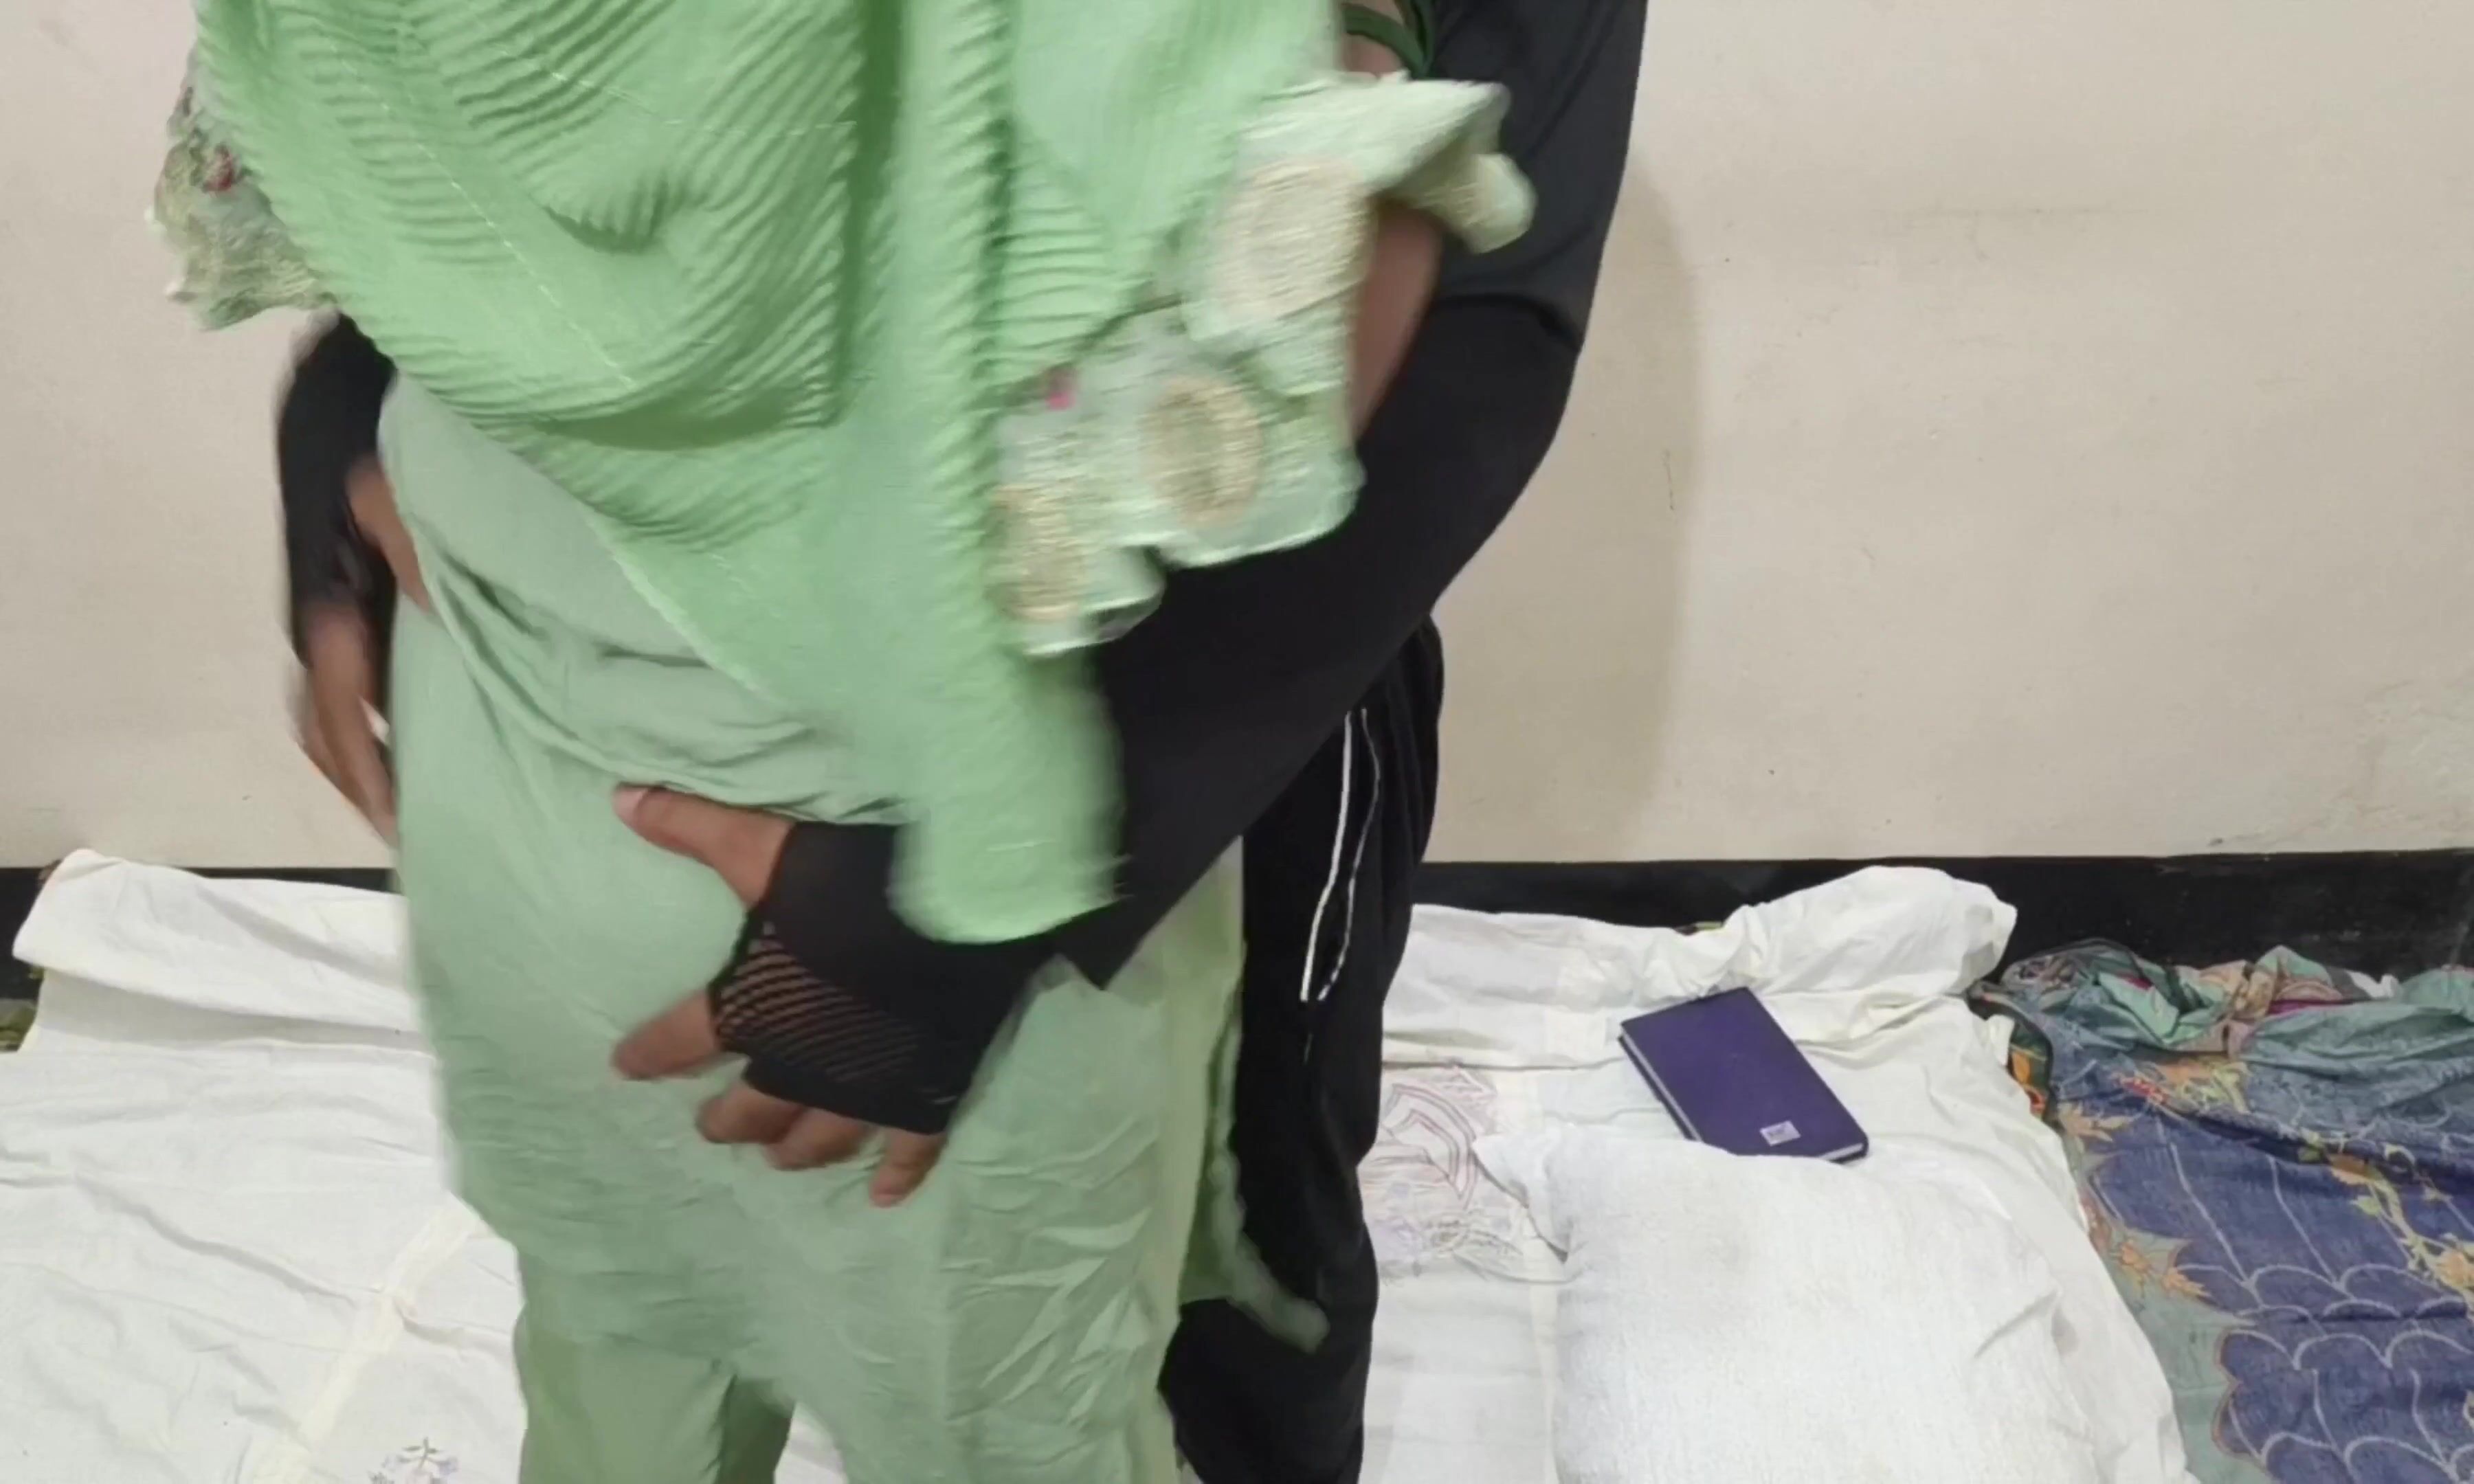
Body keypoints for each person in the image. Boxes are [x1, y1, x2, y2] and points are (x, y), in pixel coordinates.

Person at [243, 0, 1644, 1478]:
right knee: (705, 1334)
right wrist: (347, 413)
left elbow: (1464, 335)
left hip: (1100, 758)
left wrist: (975, 913)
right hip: (632, 741)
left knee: (1201, 1292)